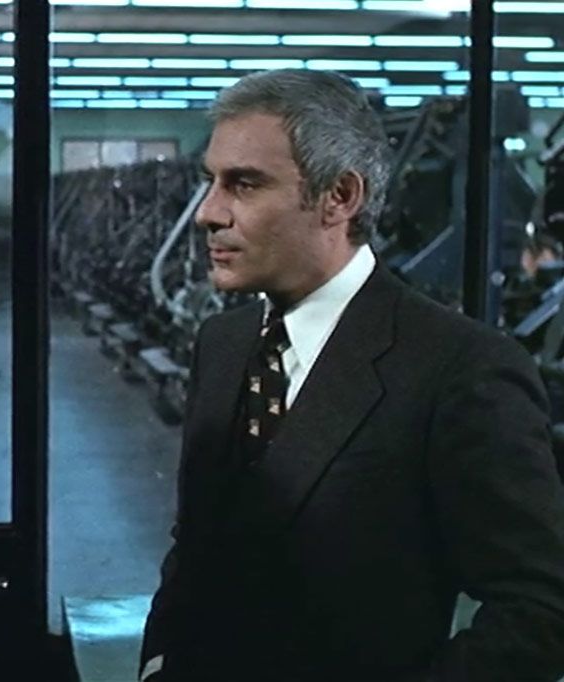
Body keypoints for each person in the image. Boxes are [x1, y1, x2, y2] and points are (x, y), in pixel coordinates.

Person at [140, 69, 564, 681]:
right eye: (212, 181)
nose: (208, 213)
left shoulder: (459, 368)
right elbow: (196, 541)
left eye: (245, 184)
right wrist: (159, 660)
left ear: (339, 196)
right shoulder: (224, 344)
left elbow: (540, 609)